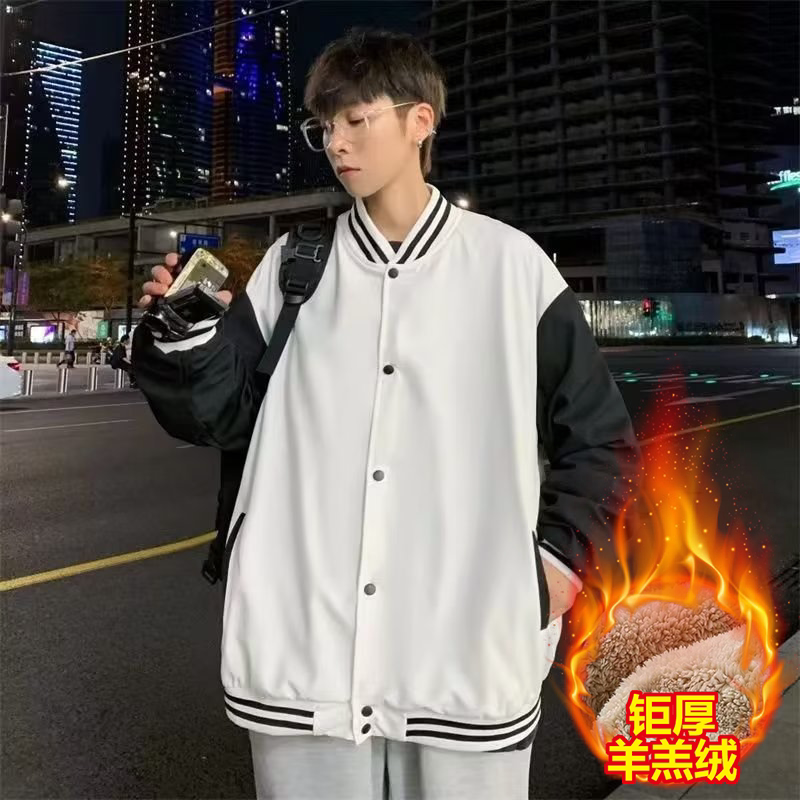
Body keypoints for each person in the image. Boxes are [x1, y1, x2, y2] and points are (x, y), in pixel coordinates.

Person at [133, 28, 642, 800]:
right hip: (306, 649)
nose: (335, 143)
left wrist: (554, 570)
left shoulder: (511, 267)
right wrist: (185, 339)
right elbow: (219, 418)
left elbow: (600, 439)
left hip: (466, 647)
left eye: (355, 119)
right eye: (323, 127)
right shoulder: (294, 267)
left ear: (419, 122)